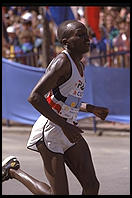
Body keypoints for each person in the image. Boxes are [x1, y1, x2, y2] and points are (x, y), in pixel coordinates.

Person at [2, 20, 109, 195]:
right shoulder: (62, 62)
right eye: (80, 35)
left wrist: (91, 108)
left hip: (67, 127)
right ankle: (13, 171)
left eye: (86, 34)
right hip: (51, 130)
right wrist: (64, 125)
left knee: (91, 185)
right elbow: (35, 97)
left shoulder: (79, 64)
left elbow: (63, 100)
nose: (87, 38)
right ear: (66, 42)